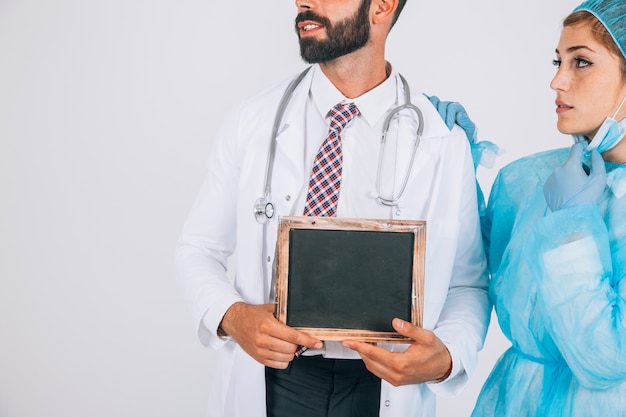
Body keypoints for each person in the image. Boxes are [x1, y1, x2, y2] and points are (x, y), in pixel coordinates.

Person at [174, 0, 490, 416]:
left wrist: (447, 355)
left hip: (382, 387)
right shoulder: (252, 120)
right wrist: (234, 316)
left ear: (382, 6)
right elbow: (198, 248)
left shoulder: (440, 139)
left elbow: (468, 284)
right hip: (274, 380)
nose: (303, 1)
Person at [466, 0, 626, 415]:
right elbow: (462, 275)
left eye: (581, 63)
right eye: (558, 61)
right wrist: (443, 166)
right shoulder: (529, 180)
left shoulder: (560, 193)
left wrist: (573, 227)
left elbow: (606, 360)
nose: (557, 81)